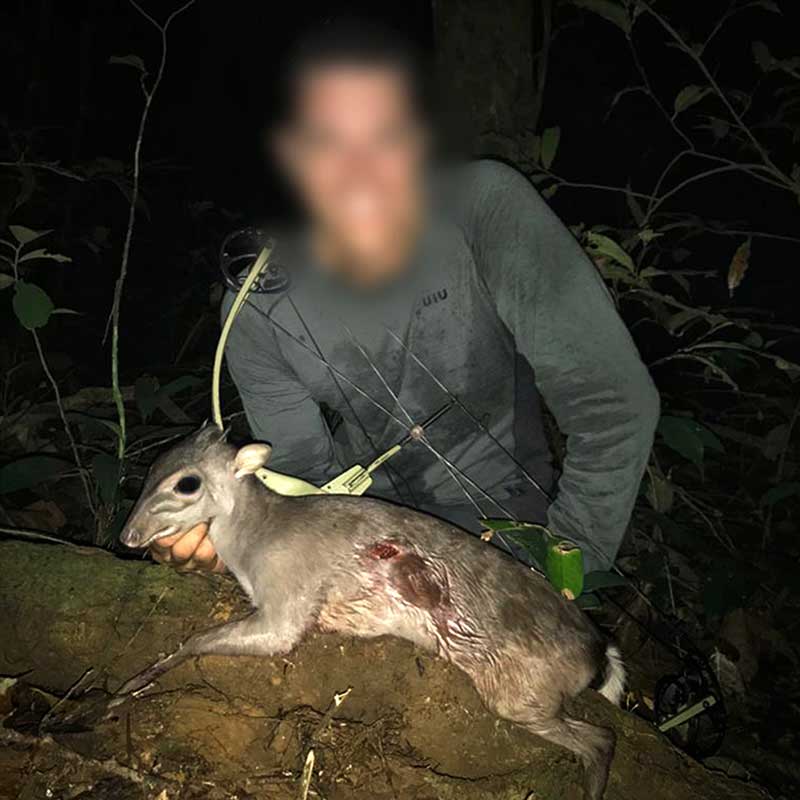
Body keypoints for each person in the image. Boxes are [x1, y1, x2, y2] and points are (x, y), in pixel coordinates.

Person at [150, 19, 659, 576]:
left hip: (504, 522)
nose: (359, 172)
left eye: (384, 134)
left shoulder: (485, 212)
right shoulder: (258, 307)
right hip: (356, 528)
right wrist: (222, 537)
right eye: (326, 140)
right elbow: (298, 471)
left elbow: (612, 406)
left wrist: (567, 566)